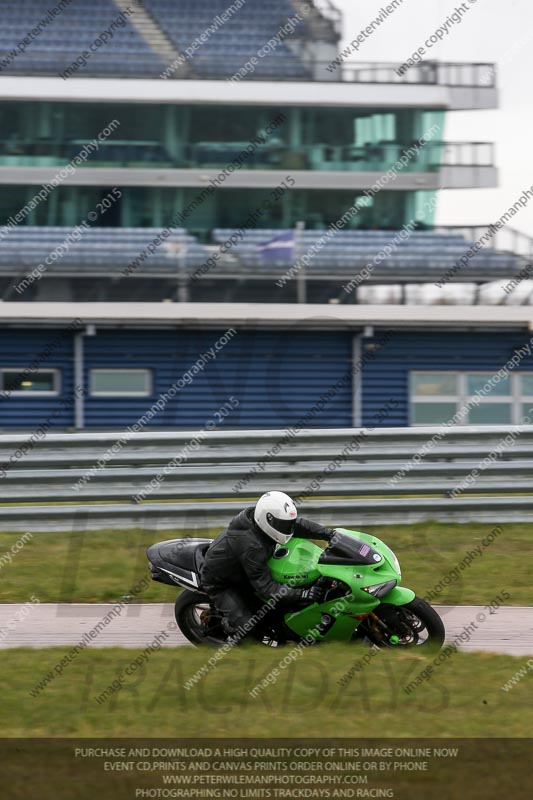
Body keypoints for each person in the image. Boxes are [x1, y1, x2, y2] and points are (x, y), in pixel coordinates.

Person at [200, 491, 334, 643]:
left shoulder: (263, 523)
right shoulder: (252, 547)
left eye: (288, 523)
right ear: (268, 520)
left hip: (247, 571)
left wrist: (329, 534)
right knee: (247, 628)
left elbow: (298, 526)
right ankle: (222, 624)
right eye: (284, 525)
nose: (289, 528)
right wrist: (303, 594)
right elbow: (266, 588)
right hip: (223, 583)